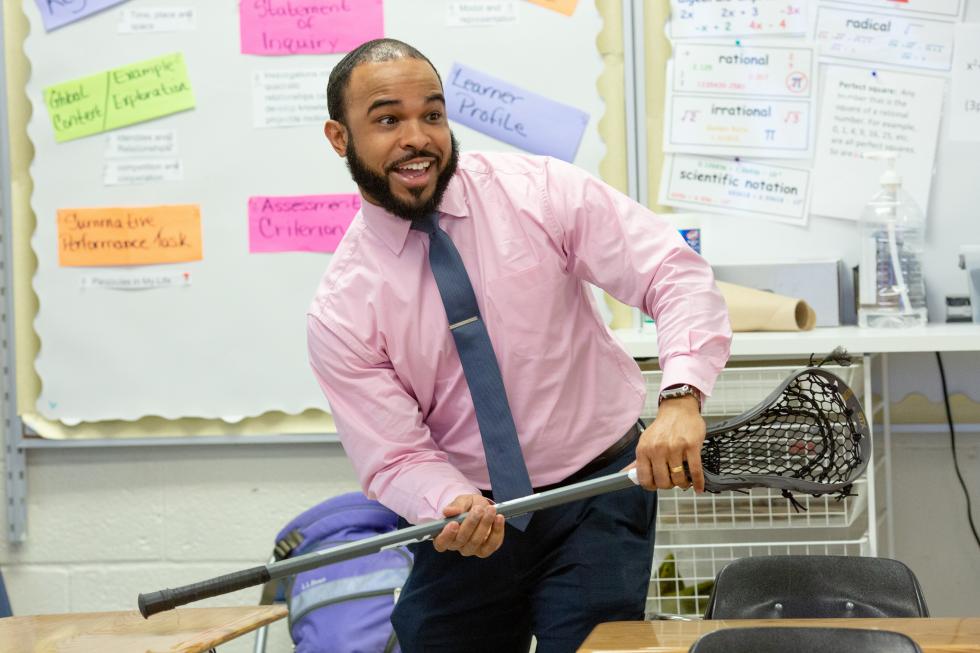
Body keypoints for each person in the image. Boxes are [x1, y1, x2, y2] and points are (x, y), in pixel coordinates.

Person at [307, 38, 732, 652]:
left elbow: (672, 272)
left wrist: (681, 397)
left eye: (432, 114)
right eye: (387, 119)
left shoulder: (539, 192)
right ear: (340, 138)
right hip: (470, 519)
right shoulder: (342, 307)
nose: (417, 137)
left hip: (598, 490)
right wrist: (446, 501)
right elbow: (395, 455)